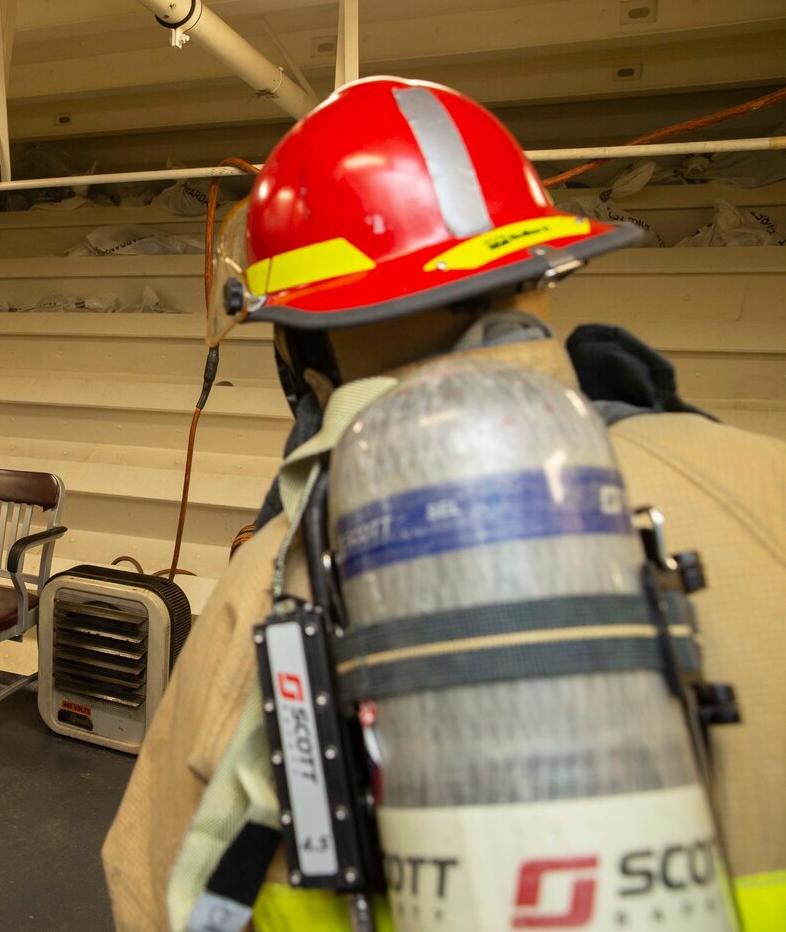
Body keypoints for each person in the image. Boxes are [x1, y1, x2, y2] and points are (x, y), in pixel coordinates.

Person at [102, 77, 785, 929]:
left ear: (304, 340)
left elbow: (151, 893)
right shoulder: (765, 485)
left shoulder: (270, 587)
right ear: (536, 272)